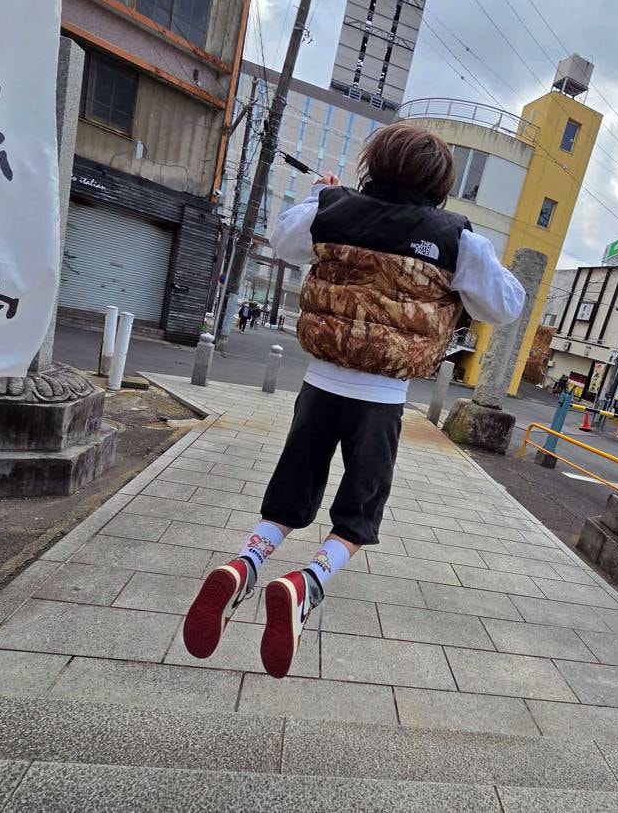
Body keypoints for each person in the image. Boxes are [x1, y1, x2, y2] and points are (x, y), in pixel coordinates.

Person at [182, 123, 525, 679]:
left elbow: (284, 239)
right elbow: (504, 305)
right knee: (359, 513)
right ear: (440, 182)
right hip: (384, 397)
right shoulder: (456, 239)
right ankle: (306, 584)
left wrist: (320, 193)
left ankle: (244, 564)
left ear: (374, 164)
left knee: (289, 496)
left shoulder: (332, 209)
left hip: (320, 384)